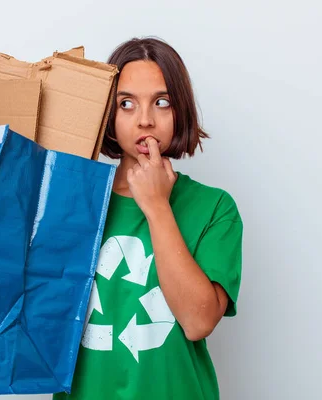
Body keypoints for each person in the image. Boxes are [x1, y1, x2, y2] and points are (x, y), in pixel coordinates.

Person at [54, 37, 243, 400]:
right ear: (108, 114)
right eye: (126, 104)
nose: (145, 120)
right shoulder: (76, 202)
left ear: (180, 109)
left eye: (162, 102)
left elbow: (198, 322)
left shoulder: (215, 208)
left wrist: (157, 206)